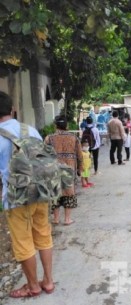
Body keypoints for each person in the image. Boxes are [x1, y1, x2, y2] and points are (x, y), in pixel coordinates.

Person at [0, 91, 55, 298]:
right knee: (43, 233)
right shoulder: (30, 130)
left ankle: (33, 286)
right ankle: (48, 281)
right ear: (12, 110)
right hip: (41, 191)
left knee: (23, 242)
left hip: (17, 197)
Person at [45, 115, 83, 226]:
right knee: (69, 194)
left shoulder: (49, 138)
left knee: (55, 193)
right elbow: (79, 155)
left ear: (55, 125)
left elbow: (43, 155)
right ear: (66, 125)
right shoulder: (74, 138)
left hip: (53, 169)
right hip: (69, 170)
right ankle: (67, 219)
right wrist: (80, 169)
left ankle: (56, 219)